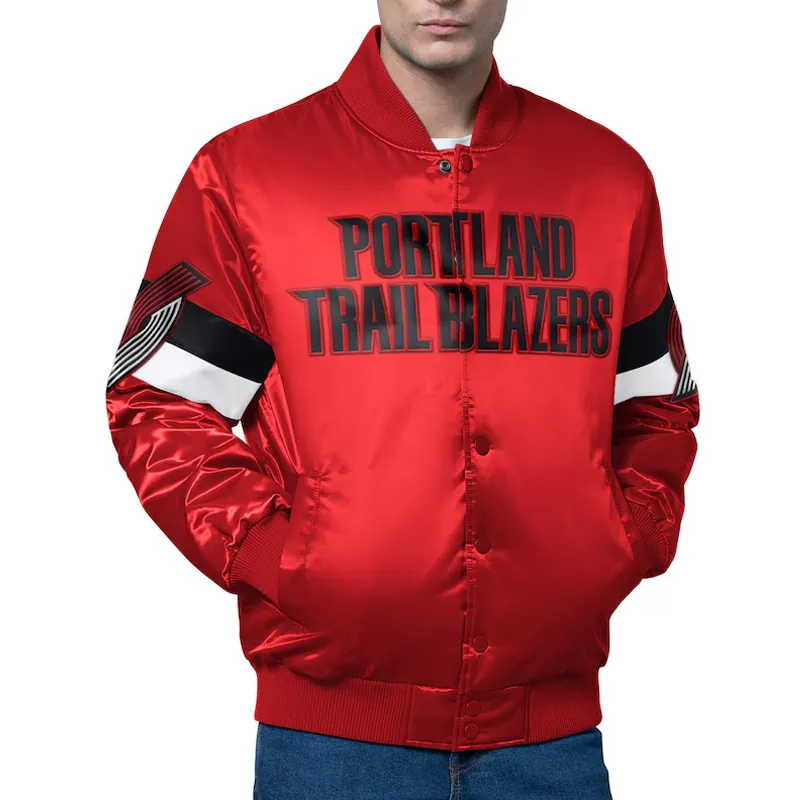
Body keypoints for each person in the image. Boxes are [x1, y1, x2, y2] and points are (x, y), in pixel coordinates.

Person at [105, 1, 700, 797]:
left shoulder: (606, 177)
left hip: (550, 741)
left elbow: (655, 402)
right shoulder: (249, 174)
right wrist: (283, 558)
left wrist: (625, 537)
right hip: (332, 746)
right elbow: (159, 399)